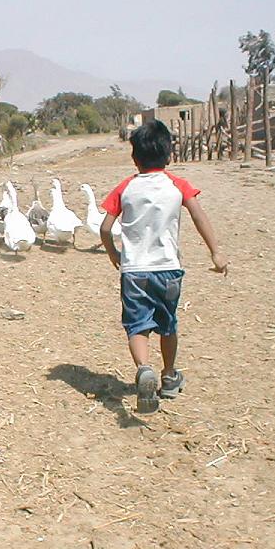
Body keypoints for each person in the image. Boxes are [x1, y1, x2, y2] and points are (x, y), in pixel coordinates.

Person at [100, 120, 228, 414]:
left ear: (135, 157)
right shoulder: (178, 185)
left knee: (137, 326)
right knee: (168, 324)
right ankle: (169, 377)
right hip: (168, 269)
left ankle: (144, 369)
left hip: (134, 271)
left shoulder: (125, 188)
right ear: (169, 154)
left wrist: (114, 254)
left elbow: (106, 228)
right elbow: (198, 215)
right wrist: (216, 252)